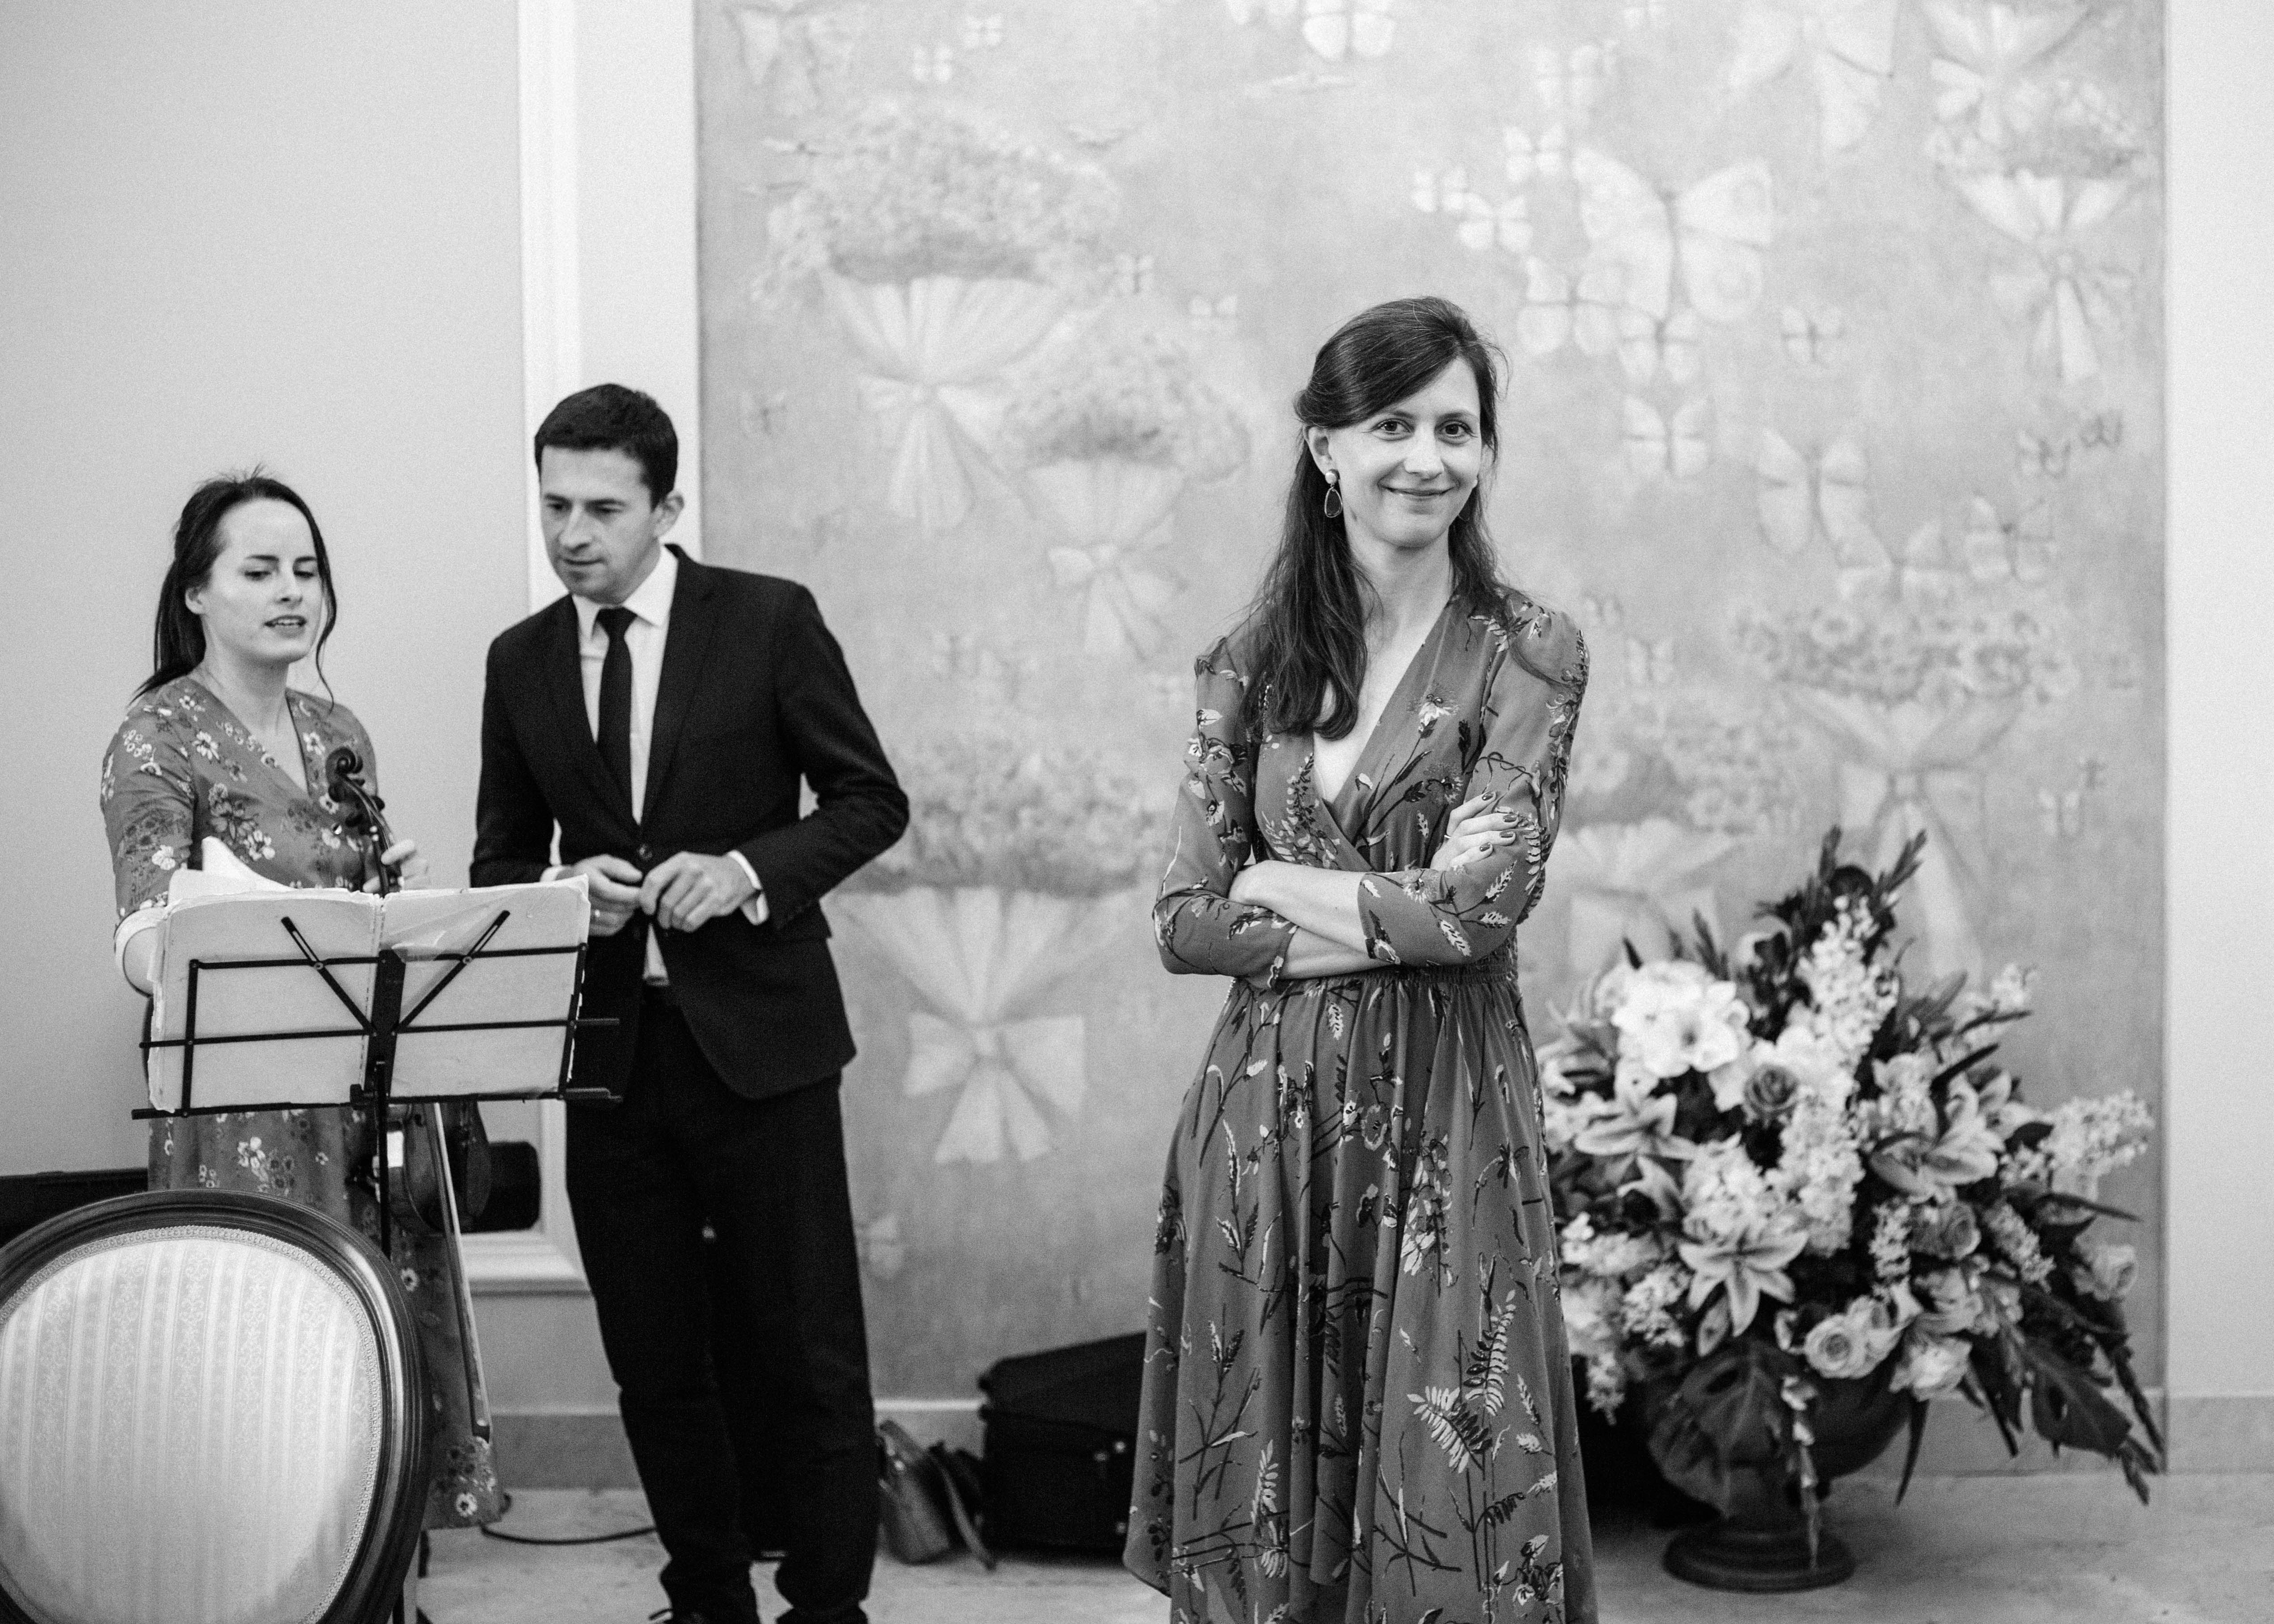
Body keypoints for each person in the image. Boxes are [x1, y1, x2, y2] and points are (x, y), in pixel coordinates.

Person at [1126, 298, 1597, 1624]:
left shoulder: (1527, 651)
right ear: (1325, 447)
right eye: (1393, 425)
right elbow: (1181, 921)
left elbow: (1482, 909)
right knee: (1268, 1484)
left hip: (1450, 1114)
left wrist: (1280, 885)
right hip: (1266, 1121)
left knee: (1452, 1487)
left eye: (1458, 429)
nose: (1427, 459)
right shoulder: (1247, 664)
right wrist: (1388, 911)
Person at [471, 384, 907, 1624]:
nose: (572, 534)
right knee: (655, 1361)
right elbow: (502, 859)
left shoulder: (768, 620)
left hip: (766, 1047)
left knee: (809, 1351)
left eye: (603, 509)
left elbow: (870, 801)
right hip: (611, 1057)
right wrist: (564, 893)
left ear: (666, 508)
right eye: (554, 504)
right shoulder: (519, 660)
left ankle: (828, 1606)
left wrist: (748, 872)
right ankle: (708, 1598)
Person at [100, 471, 505, 1531]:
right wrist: (244, 928)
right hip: (248, 1104)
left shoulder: (337, 731)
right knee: (272, 1381)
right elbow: (143, 936)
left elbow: (362, 912)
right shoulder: (157, 736)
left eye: (307, 570)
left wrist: (396, 905)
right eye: (261, 570)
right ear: (197, 591)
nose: (293, 592)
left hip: (369, 1103)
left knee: (377, 1380)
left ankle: (371, 1573)